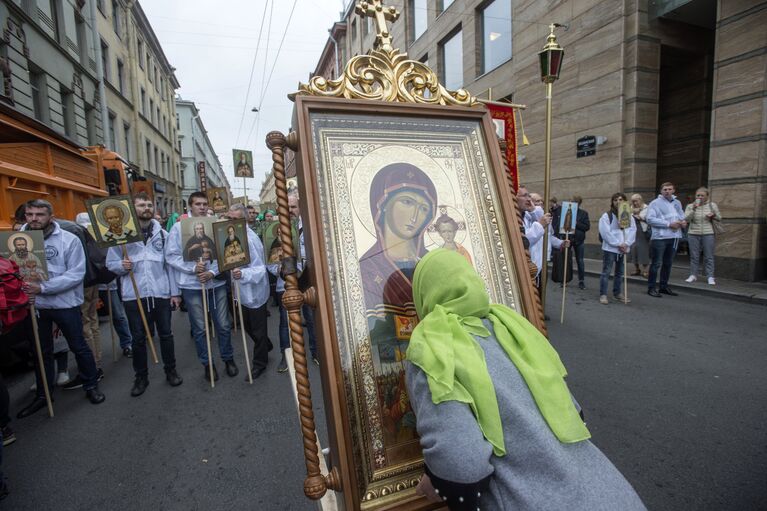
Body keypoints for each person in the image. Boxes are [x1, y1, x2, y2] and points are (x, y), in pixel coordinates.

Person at [405, 249, 646, 511]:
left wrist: (441, 482)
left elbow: (462, 464)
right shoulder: (511, 326)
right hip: (610, 493)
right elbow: (574, 413)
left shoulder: (434, 347)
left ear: (422, 293)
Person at [17, 199, 105, 418]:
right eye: (30, 214)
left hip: (64, 303)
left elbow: (76, 274)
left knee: (78, 345)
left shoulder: (69, 240)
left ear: (51, 217)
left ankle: (91, 384)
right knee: (41, 351)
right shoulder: (19, 239)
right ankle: (43, 394)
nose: (34, 219)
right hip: (35, 305)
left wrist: (44, 287)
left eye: (40, 214)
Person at [359, 163, 436, 370]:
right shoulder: (367, 270)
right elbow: (368, 341)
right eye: (407, 202)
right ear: (382, 204)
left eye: (423, 208)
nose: (414, 216)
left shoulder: (434, 264)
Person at [107, 192, 183, 396]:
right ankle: (141, 377)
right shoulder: (120, 236)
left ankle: (171, 370)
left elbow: (170, 265)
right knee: (138, 338)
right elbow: (111, 263)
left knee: (166, 334)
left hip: (160, 292)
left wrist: (175, 293)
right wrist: (121, 266)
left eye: (149, 205)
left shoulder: (162, 235)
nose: (146, 208)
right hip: (135, 294)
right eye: (141, 205)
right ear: (132, 209)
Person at [166, 192, 237, 379]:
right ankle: (208, 364)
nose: (203, 207)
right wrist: (192, 268)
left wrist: (212, 272)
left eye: (205, 204)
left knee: (223, 324)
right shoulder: (178, 228)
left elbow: (223, 253)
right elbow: (171, 255)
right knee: (200, 328)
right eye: (198, 204)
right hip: (192, 286)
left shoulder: (216, 225)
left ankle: (228, 358)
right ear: (190, 206)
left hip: (216, 283)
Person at [228, 204, 271, 379]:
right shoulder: (231, 236)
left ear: (244, 219)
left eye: (234, 219)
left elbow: (261, 269)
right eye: (229, 218)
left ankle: (259, 364)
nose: (230, 222)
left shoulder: (251, 239)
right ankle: (266, 344)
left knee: (258, 329)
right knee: (246, 325)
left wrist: (242, 273)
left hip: (254, 291)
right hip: (240, 291)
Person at [646, 182, 686, 297]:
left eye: (669, 189)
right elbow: (650, 219)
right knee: (656, 263)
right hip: (660, 238)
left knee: (668, 263)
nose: (667, 191)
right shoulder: (655, 203)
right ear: (661, 191)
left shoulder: (677, 202)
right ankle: (651, 287)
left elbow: (681, 215)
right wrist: (668, 224)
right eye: (665, 189)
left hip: (674, 237)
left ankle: (663, 286)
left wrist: (683, 222)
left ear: (673, 190)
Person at [598, 193, 637, 304]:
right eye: (615, 200)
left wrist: (627, 243)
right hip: (611, 249)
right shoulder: (607, 216)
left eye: (620, 199)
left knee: (619, 273)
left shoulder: (629, 216)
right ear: (612, 202)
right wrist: (618, 244)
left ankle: (617, 293)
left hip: (623, 248)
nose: (618, 201)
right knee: (606, 272)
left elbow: (632, 230)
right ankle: (603, 294)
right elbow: (605, 233)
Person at [684, 187, 721, 285]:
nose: (700, 197)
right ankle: (693, 275)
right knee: (694, 256)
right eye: (698, 195)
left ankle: (710, 277)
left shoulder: (712, 205)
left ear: (707, 196)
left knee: (709, 256)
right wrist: (694, 209)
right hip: (693, 233)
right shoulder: (690, 206)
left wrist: (713, 216)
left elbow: (719, 217)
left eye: (702, 195)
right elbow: (686, 219)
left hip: (708, 233)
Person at [571, 196, 590, 289]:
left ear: (579, 204)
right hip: (569, 239)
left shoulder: (584, 213)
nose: (574, 203)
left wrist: (576, 223)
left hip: (579, 240)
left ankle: (581, 280)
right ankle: (565, 279)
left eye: (576, 202)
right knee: (567, 260)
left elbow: (587, 227)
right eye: (573, 201)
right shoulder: (568, 211)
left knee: (580, 261)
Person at [629, 194, 650, 277]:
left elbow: (648, 218)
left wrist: (637, 215)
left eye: (636, 201)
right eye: (633, 201)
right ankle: (636, 269)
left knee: (643, 251)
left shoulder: (646, 207)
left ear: (640, 200)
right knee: (633, 250)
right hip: (633, 232)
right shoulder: (630, 208)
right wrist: (633, 214)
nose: (634, 203)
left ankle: (646, 270)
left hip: (642, 232)